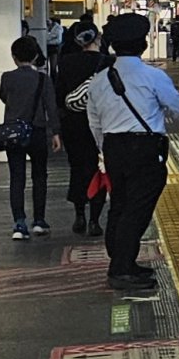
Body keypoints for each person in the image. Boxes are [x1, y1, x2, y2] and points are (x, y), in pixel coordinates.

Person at [79, 12, 179, 292]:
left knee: (120, 203)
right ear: (143, 45)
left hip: (114, 148)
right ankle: (120, 269)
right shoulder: (153, 76)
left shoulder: (99, 80)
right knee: (137, 209)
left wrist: (103, 149)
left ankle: (123, 261)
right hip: (145, 149)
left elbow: (94, 122)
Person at [0, 34, 60, 240]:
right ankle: (39, 221)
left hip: (13, 133)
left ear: (13, 57)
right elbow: (51, 106)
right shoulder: (43, 79)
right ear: (35, 57)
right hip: (37, 131)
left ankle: (19, 223)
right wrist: (56, 132)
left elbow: (3, 97)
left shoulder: (7, 77)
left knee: (17, 177)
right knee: (39, 176)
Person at [52, 20, 109, 236]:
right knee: (99, 170)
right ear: (97, 38)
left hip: (74, 126)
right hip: (102, 125)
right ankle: (95, 220)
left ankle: (79, 216)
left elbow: (59, 96)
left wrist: (59, 127)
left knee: (78, 169)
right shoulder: (107, 62)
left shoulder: (66, 62)